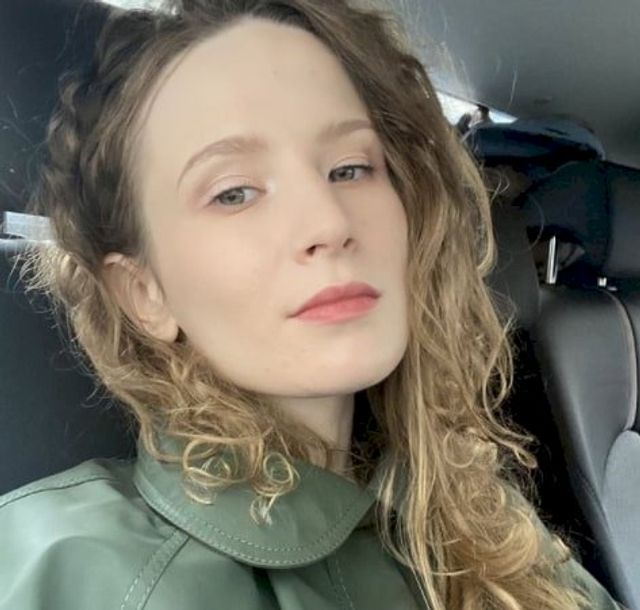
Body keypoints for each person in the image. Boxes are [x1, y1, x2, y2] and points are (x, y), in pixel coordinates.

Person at [0, 0, 624, 608]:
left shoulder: (479, 507)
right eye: (234, 192)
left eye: (350, 169)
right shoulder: (72, 570)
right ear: (145, 293)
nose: (329, 222)